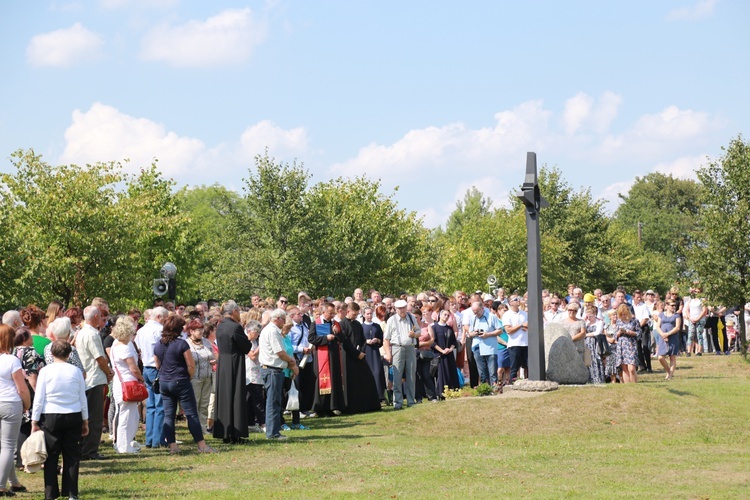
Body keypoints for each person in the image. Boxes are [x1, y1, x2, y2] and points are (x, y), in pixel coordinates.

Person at [31, 340, 87, 500]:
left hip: (50, 415)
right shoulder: (76, 371)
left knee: (50, 456)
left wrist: (35, 420)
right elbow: (82, 396)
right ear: (70, 354)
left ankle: (50, 493)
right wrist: (85, 419)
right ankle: (71, 493)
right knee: (71, 455)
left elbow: (39, 398)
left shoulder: (45, 371)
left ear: (51, 354)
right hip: (73, 413)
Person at [154, 315, 216, 454]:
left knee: (169, 415)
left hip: (164, 382)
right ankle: (202, 446)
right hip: (180, 380)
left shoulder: (159, 344)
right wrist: (188, 377)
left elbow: (157, 364)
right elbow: (191, 365)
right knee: (191, 414)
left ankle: (173, 447)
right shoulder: (182, 344)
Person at [73, 306, 113, 461]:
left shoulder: (81, 332)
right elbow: (99, 358)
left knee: (87, 415)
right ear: (96, 316)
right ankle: (89, 450)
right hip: (94, 378)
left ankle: (84, 448)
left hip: (85, 378)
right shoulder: (92, 334)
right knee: (94, 417)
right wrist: (108, 372)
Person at [213, 301, 252, 444]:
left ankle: (224, 433)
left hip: (223, 362)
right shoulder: (235, 327)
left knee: (224, 397)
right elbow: (246, 347)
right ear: (234, 311)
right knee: (236, 396)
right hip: (234, 363)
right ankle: (235, 433)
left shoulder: (220, 326)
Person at [0, 325, 30, 497]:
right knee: (8, 446)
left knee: (4, 446)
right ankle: (1, 485)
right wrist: (27, 404)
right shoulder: (11, 360)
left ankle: (14, 482)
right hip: (10, 403)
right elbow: (22, 388)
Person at [259, 309, 298, 440]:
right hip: (272, 370)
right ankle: (273, 433)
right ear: (277, 319)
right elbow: (279, 352)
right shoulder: (272, 331)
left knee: (274, 401)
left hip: (273, 369)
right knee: (273, 402)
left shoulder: (269, 330)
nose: (284, 322)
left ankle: (274, 431)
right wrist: (291, 362)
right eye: (283, 319)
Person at [11, 326, 45, 469]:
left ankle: (19, 459)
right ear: (25, 339)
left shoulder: (12, 351)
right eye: (30, 336)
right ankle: (31, 457)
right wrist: (38, 393)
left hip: (15, 388)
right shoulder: (29, 351)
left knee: (21, 424)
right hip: (29, 389)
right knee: (30, 423)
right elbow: (32, 375)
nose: (32, 338)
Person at [134, 306, 168, 449]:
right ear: (160, 317)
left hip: (146, 368)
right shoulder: (159, 330)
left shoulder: (141, 331)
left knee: (150, 406)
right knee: (160, 406)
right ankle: (157, 440)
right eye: (165, 319)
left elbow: (139, 348)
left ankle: (149, 439)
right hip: (156, 368)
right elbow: (161, 351)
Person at [109, 316, 143, 454]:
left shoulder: (115, 345)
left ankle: (124, 444)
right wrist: (141, 379)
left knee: (127, 414)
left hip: (120, 382)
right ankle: (124, 446)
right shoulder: (125, 348)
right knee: (127, 416)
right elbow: (133, 368)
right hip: (128, 384)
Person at [340, 303, 381, 413]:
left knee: (367, 378)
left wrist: (361, 351)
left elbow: (363, 340)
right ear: (348, 312)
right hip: (348, 357)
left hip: (360, 355)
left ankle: (368, 405)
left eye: (357, 314)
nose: (355, 316)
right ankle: (351, 407)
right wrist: (356, 353)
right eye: (354, 314)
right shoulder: (342, 324)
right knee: (351, 382)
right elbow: (345, 343)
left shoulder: (358, 324)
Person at [308, 303, 347, 416]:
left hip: (334, 356)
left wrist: (337, 333)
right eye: (330, 313)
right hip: (322, 355)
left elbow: (343, 339)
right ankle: (320, 408)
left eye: (333, 313)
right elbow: (311, 338)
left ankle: (333, 406)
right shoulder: (315, 323)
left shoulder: (335, 323)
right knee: (322, 380)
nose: (332, 315)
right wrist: (326, 338)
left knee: (334, 380)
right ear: (324, 312)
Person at [383, 299, 420, 410]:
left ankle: (410, 400)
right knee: (397, 375)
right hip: (397, 348)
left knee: (411, 375)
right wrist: (388, 353)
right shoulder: (391, 320)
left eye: (404, 307)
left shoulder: (411, 317)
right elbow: (386, 339)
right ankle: (397, 402)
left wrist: (414, 334)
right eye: (399, 308)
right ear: (396, 309)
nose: (402, 310)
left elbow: (419, 332)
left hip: (410, 348)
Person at [186, 319, 215, 432]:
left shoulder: (206, 342)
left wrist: (214, 360)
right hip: (194, 378)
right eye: (198, 330)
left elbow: (212, 355)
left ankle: (203, 427)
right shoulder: (187, 343)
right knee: (195, 403)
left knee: (204, 404)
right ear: (191, 331)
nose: (201, 331)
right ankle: (193, 428)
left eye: (202, 329)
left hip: (207, 376)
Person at [431, 309, 459, 397]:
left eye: (448, 315)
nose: (446, 317)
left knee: (450, 372)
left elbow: (454, 342)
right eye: (444, 314)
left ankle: (452, 391)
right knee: (441, 373)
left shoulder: (449, 328)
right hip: (439, 355)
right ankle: (441, 393)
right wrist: (442, 351)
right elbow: (433, 342)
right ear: (440, 315)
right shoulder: (434, 327)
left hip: (449, 354)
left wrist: (450, 349)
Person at [361, 307, 386, 403]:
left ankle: (380, 395)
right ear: (363, 315)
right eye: (367, 314)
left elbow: (381, 340)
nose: (369, 315)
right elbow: (359, 340)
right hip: (366, 352)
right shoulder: (361, 326)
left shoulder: (377, 326)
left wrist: (377, 340)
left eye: (371, 313)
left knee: (378, 372)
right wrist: (366, 341)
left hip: (375, 352)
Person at [503, 296, 529, 381]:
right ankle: (512, 384)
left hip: (526, 343)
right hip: (514, 344)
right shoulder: (507, 315)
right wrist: (521, 325)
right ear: (510, 302)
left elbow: (529, 326)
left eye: (518, 299)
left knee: (527, 366)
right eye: (515, 299)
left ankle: (528, 382)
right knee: (514, 367)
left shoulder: (524, 314)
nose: (518, 300)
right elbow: (508, 330)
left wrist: (526, 327)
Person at [655, 300, 682, 380]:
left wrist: (668, 334)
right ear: (667, 306)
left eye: (675, 305)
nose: (674, 307)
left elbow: (677, 327)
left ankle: (670, 375)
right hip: (662, 337)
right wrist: (662, 334)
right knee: (660, 357)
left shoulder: (677, 316)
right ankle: (668, 371)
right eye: (672, 305)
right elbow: (658, 326)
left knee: (672, 357)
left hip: (673, 337)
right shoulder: (661, 314)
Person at [615, 304, 639, 383]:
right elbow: (615, 336)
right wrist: (619, 333)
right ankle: (628, 386)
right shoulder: (618, 322)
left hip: (631, 344)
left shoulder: (634, 321)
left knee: (631, 368)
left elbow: (639, 333)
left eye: (625, 314)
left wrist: (631, 332)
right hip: (622, 345)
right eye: (621, 314)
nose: (623, 316)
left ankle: (634, 384)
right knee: (624, 368)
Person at [583, 306, 606, 384]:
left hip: (595, 343)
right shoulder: (586, 322)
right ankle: (589, 379)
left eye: (591, 316)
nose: (589, 318)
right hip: (586, 344)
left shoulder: (599, 322)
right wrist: (585, 321)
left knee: (596, 360)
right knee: (587, 361)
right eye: (587, 316)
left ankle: (598, 379)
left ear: (595, 314)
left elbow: (597, 332)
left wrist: (585, 335)